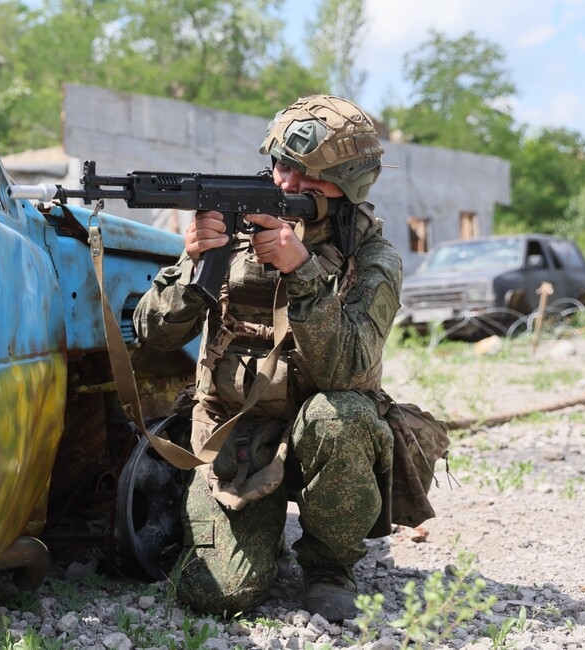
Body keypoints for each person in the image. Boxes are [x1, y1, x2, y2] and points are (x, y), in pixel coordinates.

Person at [132, 94, 410, 622]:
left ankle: (329, 565)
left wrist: (300, 270)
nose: (287, 184)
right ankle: (260, 532)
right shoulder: (233, 227)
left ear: (348, 186)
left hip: (319, 433)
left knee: (342, 416)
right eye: (283, 165)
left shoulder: (372, 257)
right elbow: (152, 334)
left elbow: (348, 369)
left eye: (309, 177)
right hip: (235, 434)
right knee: (217, 596)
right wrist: (193, 268)